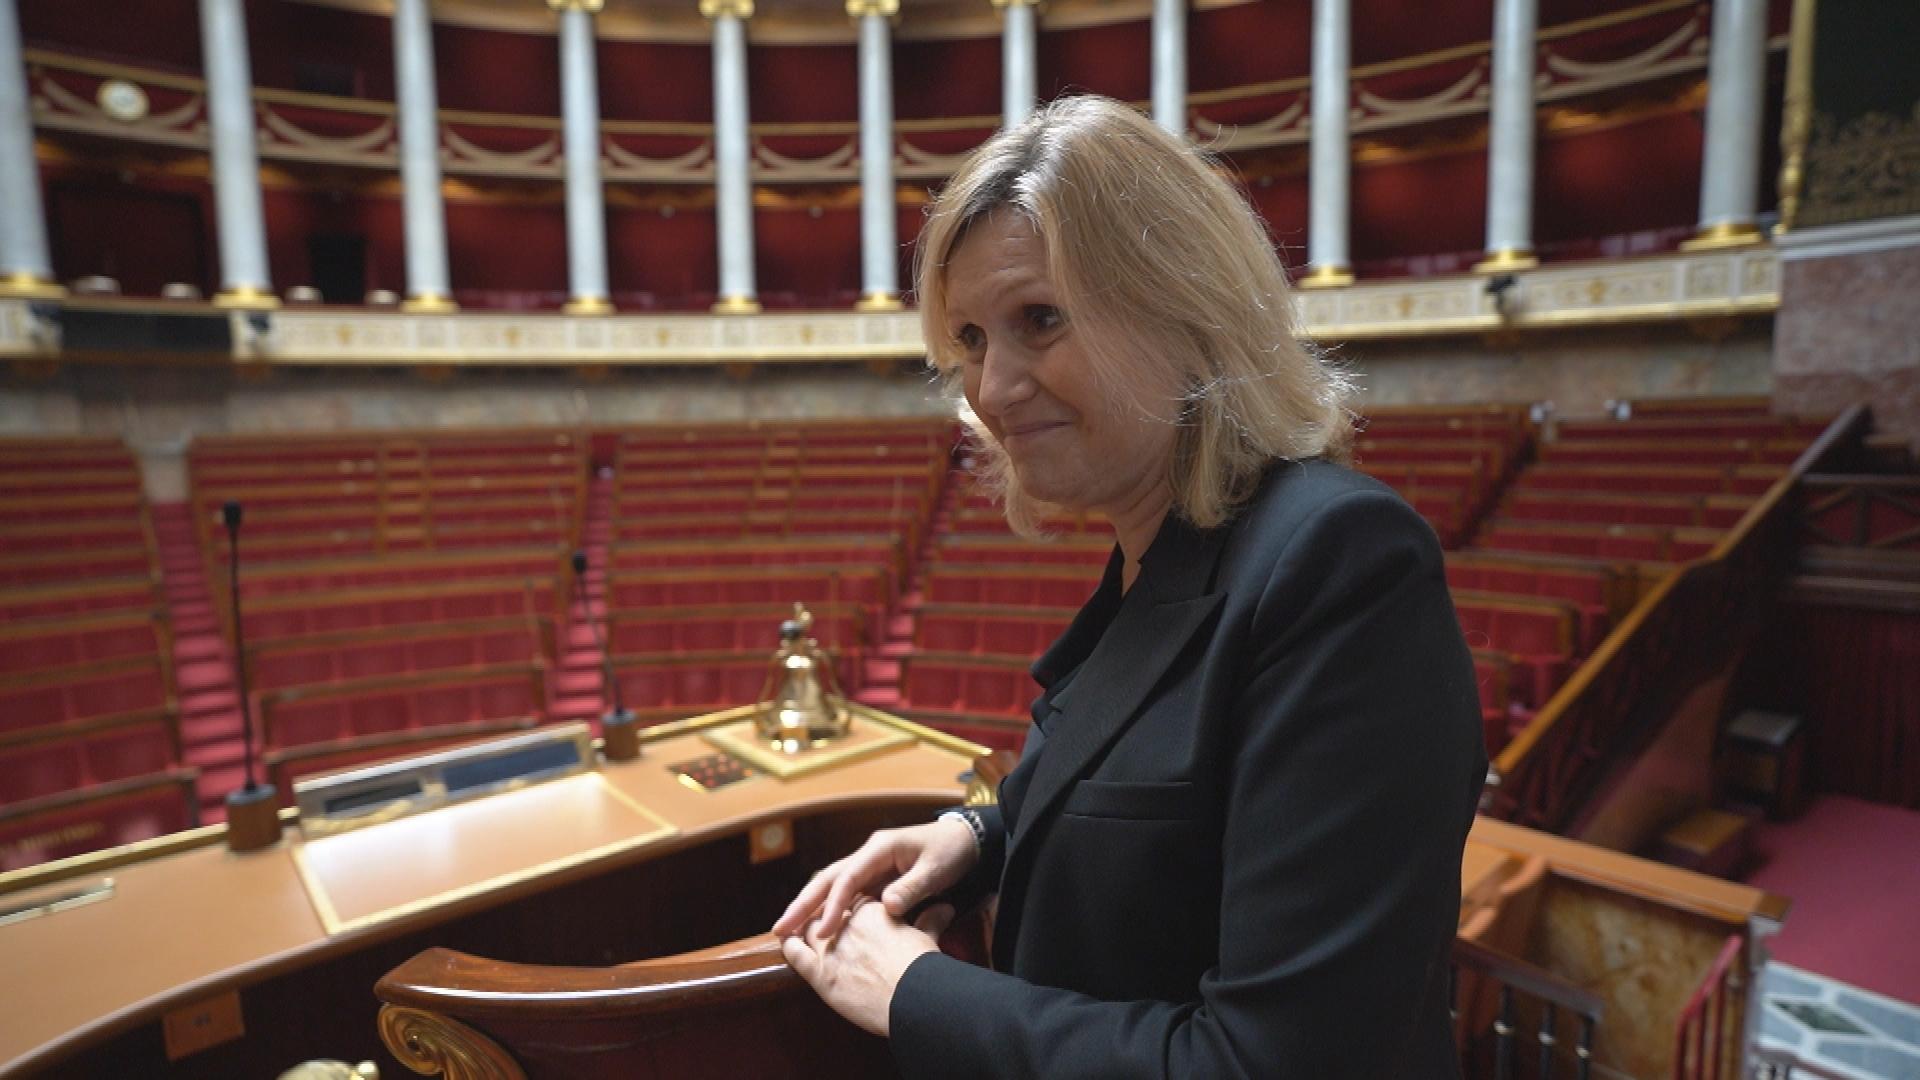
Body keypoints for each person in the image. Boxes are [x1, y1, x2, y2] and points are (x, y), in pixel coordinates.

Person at [773, 94, 1488, 1078]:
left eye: (1040, 320)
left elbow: (1268, 1064)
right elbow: (1160, 824)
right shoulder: (1168, 549)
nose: (991, 389)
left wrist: (916, 992)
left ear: (1183, 309)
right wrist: (977, 837)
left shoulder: (1340, 562)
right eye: (972, 340)